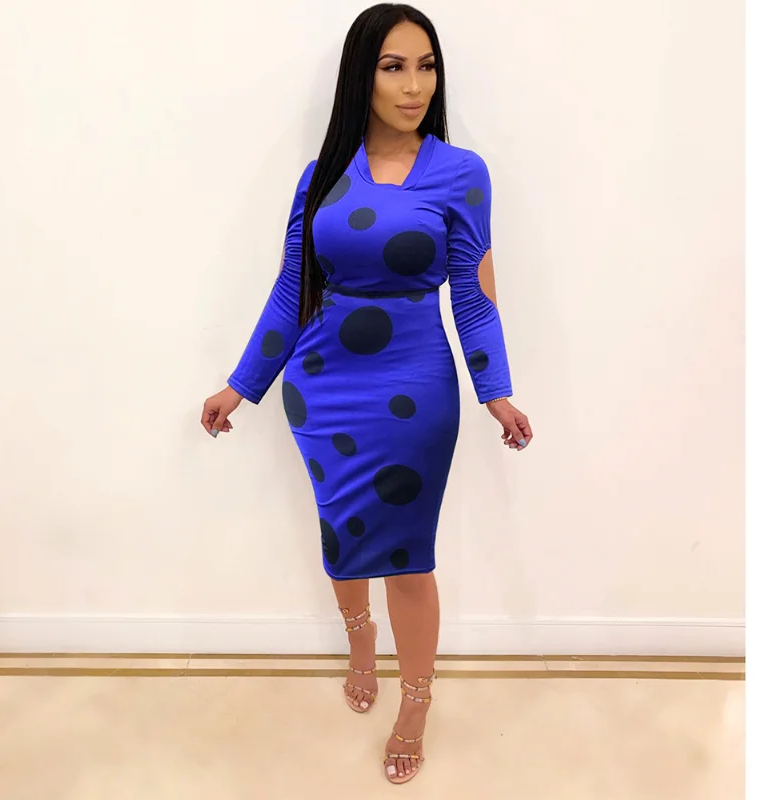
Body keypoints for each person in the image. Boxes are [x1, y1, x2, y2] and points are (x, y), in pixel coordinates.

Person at [201, 2, 533, 785]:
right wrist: (242, 385)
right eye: (393, 67)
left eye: (426, 67)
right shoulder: (322, 175)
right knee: (342, 532)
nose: (414, 86)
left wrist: (495, 390)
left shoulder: (460, 173)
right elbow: (294, 291)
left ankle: (414, 701)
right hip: (322, 390)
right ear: (363, 76)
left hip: (415, 392)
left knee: (408, 558)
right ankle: (360, 643)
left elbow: (474, 295)